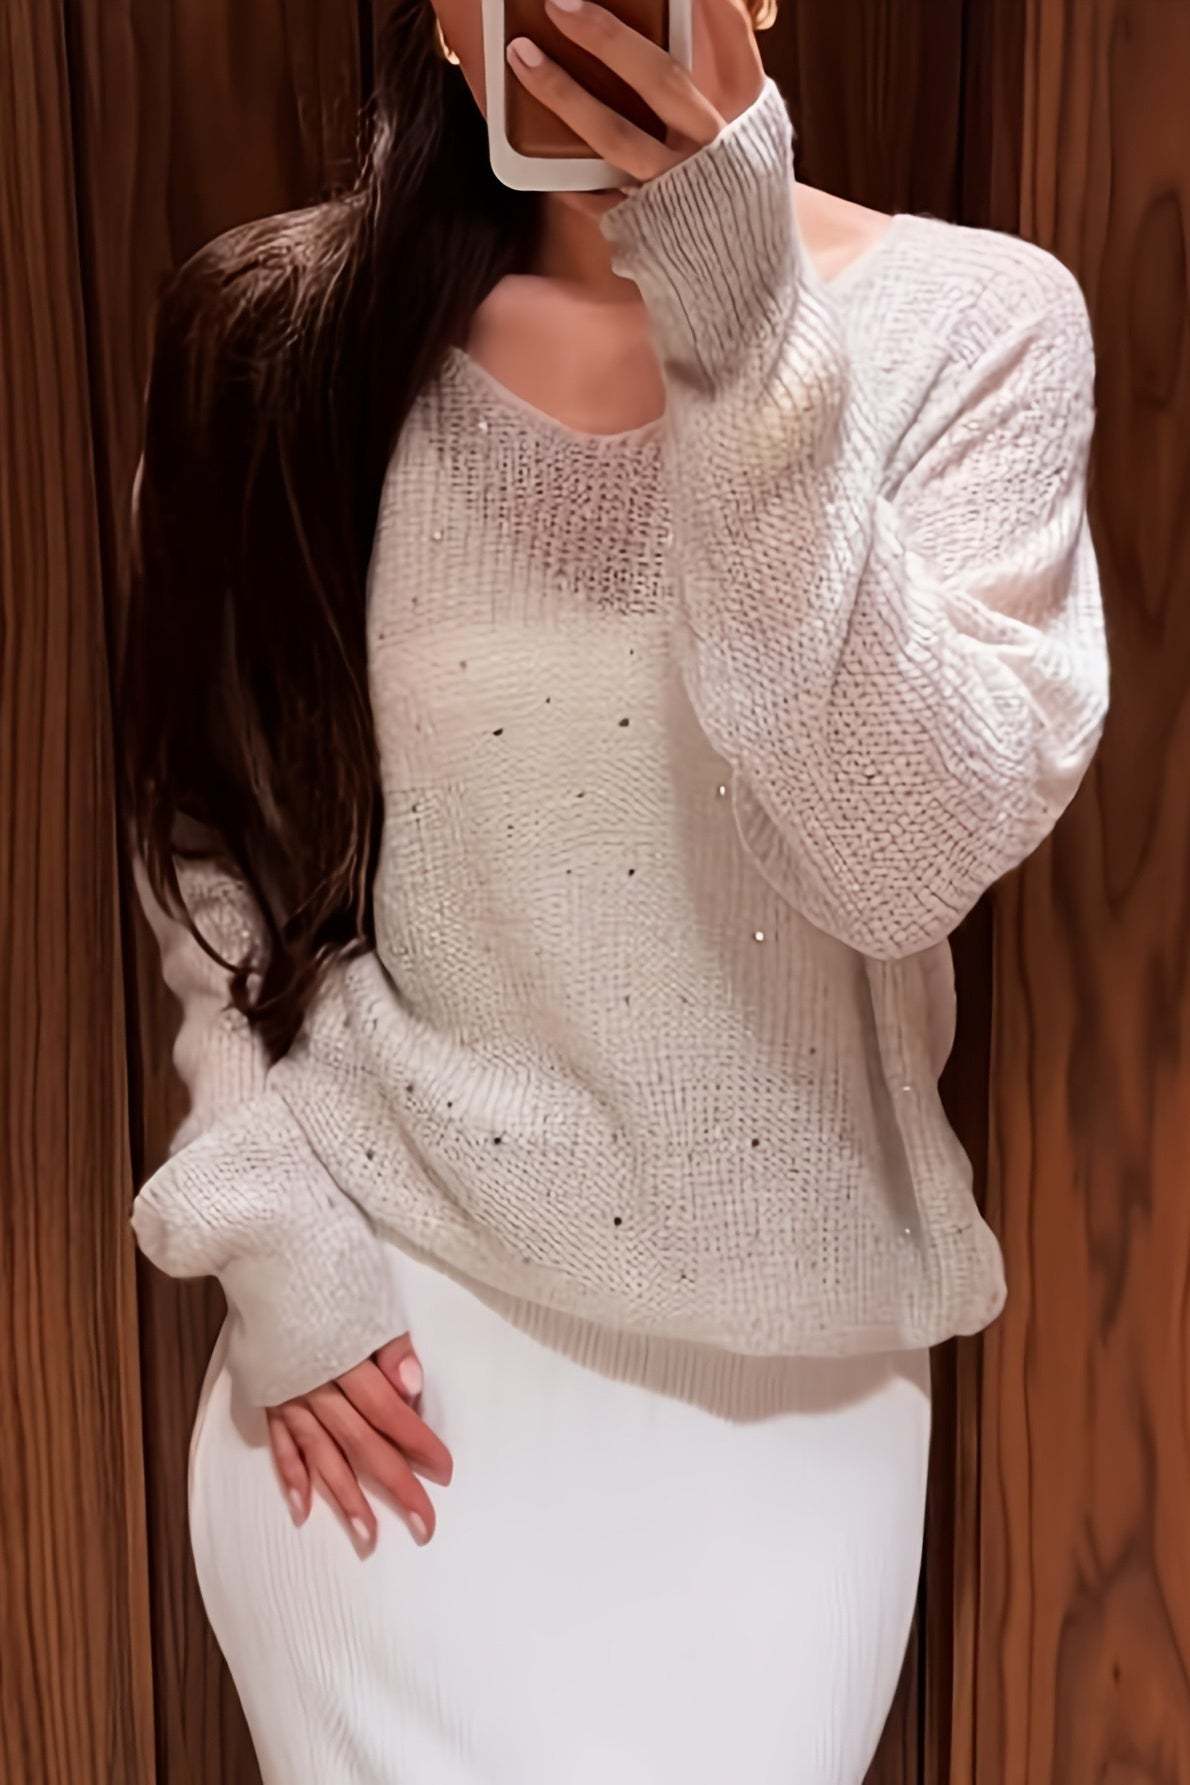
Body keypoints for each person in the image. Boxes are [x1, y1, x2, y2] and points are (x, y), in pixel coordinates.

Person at [119, 0, 1111, 1775]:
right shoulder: (283, 338)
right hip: (388, 1361)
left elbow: (892, 856)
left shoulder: (976, 328)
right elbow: (211, 833)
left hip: (784, 1400)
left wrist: (738, 308)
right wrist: (270, 1226)